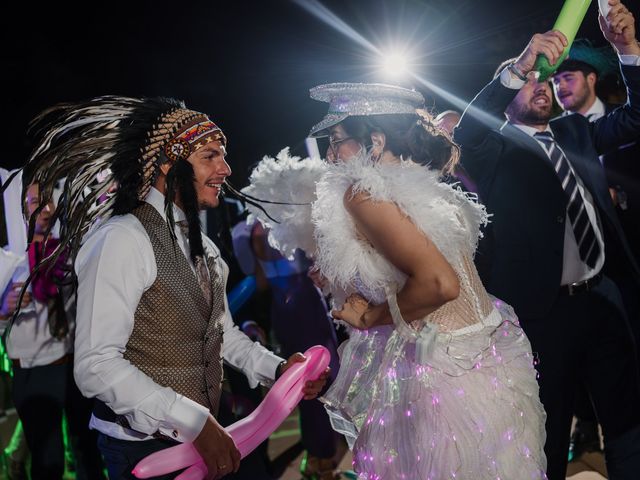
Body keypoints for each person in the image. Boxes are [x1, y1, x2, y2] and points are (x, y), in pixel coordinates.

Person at [7, 96, 328, 480]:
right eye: (209, 155)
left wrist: (279, 370)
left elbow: (222, 335)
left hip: (205, 431)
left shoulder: (204, 248)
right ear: (167, 163)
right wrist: (193, 420)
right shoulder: (121, 238)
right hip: (144, 447)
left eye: (223, 156)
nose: (225, 168)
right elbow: (96, 366)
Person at [247, 83, 547, 479]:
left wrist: (370, 317)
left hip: (437, 374)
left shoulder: (363, 193)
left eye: (337, 142)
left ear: (375, 140)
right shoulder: (426, 184)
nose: (332, 155)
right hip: (489, 357)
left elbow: (440, 283)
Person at [453, 1, 640, 478]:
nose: (542, 82)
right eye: (530, 78)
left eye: (546, 76)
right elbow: (471, 127)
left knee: (627, 420)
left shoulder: (575, 130)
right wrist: (516, 67)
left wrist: (629, 51)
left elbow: (636, 120)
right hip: (542, 312)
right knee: (548, 429)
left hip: (603, 296)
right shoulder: (491, 149)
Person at [551, 38, 640, 462]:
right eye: (553, 81)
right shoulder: (556, 136)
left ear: (590, 79)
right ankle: (587, 429)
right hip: (573, 280)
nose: (558, 87)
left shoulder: (602, 127)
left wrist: (629, 51)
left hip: (624, 262)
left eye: (567, 77)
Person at [0, 182, 105, 480]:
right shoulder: (10, 263)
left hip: (73, 364)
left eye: (48, 202)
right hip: (34, 372)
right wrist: (4, 310)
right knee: (48, 461)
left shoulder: (70, 255)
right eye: (35, 202)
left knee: (89, 451)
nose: (44, 210)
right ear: (23, 209)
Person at [232, 219, 341, 479]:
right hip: (299, 306)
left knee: (317, 382)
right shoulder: (260, 229)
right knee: (316, 382)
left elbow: (261, 280)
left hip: (297, 306)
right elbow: (261, 279)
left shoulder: (257, 228)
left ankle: (319, 456)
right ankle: (320, 460)